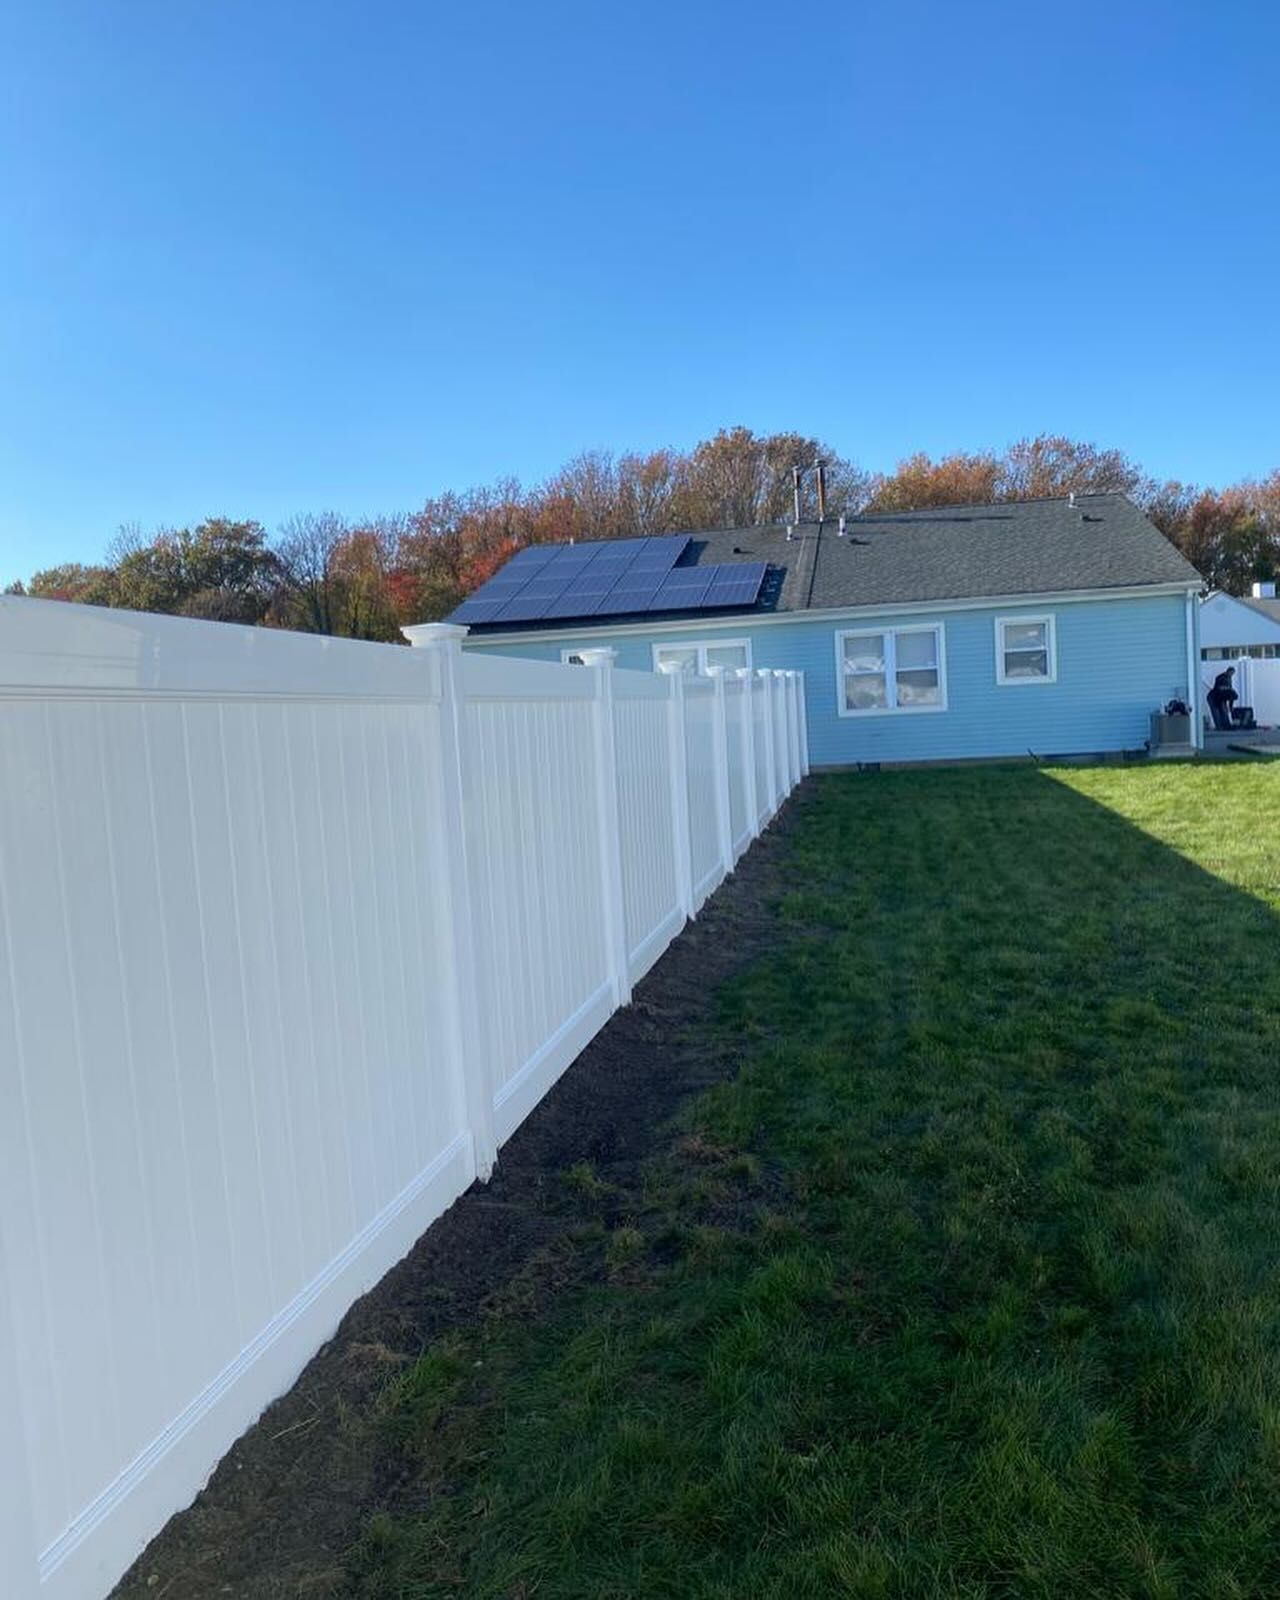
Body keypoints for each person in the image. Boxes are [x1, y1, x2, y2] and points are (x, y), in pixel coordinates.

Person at [1207, 665, 1239, 730]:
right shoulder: (1220, 678)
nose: (1231, 675)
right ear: (1228, 671)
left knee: (1224, 711)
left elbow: (1231, 700)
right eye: (1231, 673)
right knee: (1216, 713)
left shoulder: (1229, 682)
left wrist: (1230, 707)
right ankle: (1219, 727)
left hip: (1221, 697)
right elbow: (1217, 694)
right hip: (1213, 697)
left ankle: (1226, 726)